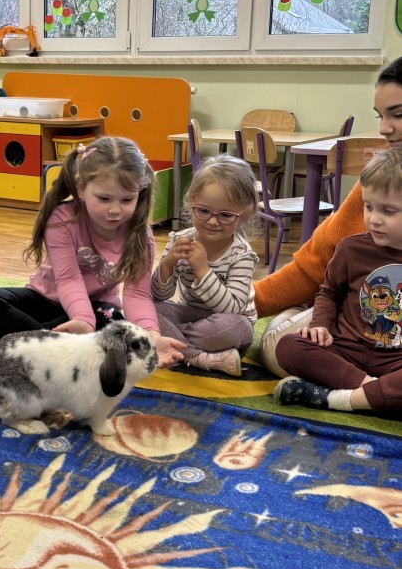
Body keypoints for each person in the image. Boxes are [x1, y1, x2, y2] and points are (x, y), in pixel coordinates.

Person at [0, 136, 185, 367]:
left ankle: (14, 343)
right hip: (46, 300)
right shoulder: (62, 219)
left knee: (112, 320)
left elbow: (137, 295)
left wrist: (151, 337)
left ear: (139, 193)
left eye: (126, 200)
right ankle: (48, 347)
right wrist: (83, 320)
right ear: (81, 187)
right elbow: (68, 278)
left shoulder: (140, 234)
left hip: (97, 309)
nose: (115, 210)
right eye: (104, 198)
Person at [256, 57, 402, 374]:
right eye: (380, 116)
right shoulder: (380, 181)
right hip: (355, 331)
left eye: (398, 114)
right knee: (279, 347)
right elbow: (314, 266)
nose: (384, 128)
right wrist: (246, 302)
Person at [273, 147, 402, 416]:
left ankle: (335, 398)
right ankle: (372, 394)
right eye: (368, 206)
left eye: (388, 211)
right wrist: (320, 325)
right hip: (345, 350)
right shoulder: (350, 248)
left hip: (395, 360)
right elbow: (329, 292)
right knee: (287, 346)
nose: (373, 219)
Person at [151, 154, 259, 377]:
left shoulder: (242, 255)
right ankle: (199, 358)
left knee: (238, 328)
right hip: (190, 314)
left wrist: (203, 270)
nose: (212, 221)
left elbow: (231, 309)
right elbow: (159, 295)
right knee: (146, 308)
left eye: (225, 215)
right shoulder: (179, 240)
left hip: (227, 324)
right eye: (203, 211)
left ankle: (170, 344)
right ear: (191, 203)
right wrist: (167, 264)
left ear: (244, 214)